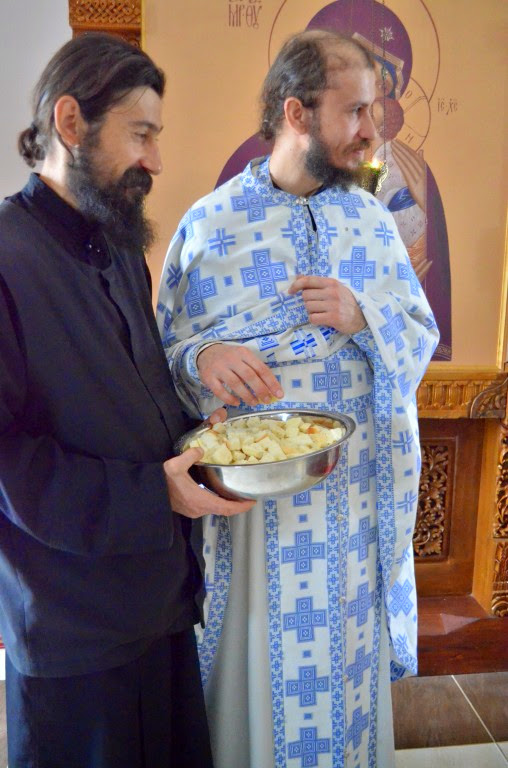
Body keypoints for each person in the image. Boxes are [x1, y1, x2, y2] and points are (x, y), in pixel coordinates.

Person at [157, 30, 438, 768]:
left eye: (373, 110)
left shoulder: (373, 223)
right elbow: (161, 357)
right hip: (255, 515)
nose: (372, 130)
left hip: (352, 500)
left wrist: (363, 315)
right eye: (355, 111)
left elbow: (418, 336)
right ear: (297, 112)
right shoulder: (210, 224)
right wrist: (203, 357)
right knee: (257, 671)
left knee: (345, 676)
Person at [0, 32, 253, 768]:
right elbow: (8, 463)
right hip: (73, 630)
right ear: (70, 122)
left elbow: (134, 389)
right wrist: (156, 495)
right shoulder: (8, 257)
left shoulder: (117, 247)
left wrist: (198, 438)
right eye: (140, 134)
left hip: (159, 603)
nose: (157, 161)